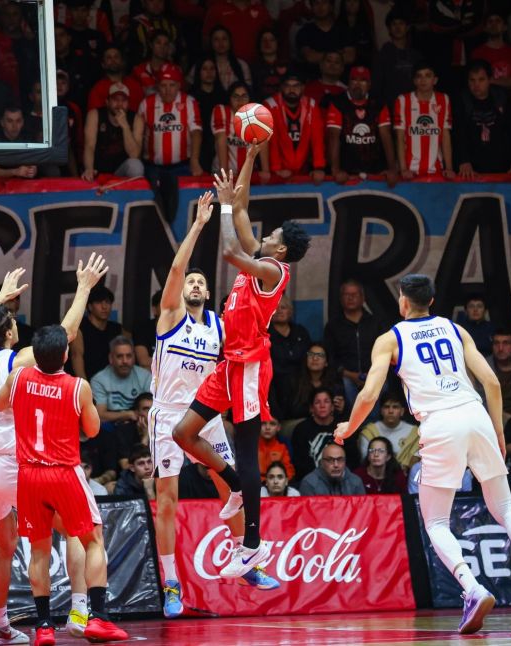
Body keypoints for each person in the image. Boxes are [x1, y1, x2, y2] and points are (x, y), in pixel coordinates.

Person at [335, 274, 511, 635]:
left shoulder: (390, 339)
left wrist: (349, 427)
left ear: (402, 301)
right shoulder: (455, 329)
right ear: (432, 301)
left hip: (440, 422)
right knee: (505, 508)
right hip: (475, 414)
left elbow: (369, 394)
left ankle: (472, 588)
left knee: (437, 522)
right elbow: (491, 382)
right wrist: (498, 431)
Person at [171, 152, 311, 579]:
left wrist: (226, 209)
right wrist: (250, 155)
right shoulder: (261, 257)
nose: (265, 234)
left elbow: (230, 248)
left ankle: (252, 545)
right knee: (183, 434)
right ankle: (233, 484)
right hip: (229, 363)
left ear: (280, 248)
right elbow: (244, 207)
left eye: (273, 235)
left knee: (247, 453)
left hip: (250, 366)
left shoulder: (272, 270)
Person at [0, 257, 107, 641]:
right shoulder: (16, 362)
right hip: (11, 463)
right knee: (75, 531)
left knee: (4, 545)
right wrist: (84, 288)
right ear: (10, 334)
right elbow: (64, 334)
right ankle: (79, 610)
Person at [149, 191, 277, 617]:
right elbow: (176, 268)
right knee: (167, 498)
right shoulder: (170, 316)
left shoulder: (219, 327)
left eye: (201, 282)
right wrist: (199, 225)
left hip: (206, 414)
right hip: (169, 414)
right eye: (191, 282)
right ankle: (171, 584)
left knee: (231, 487)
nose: (195, 284)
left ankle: (246, 559)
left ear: (208, 292)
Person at [0, 325, 128, 643]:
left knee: (39, 551)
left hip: (29, 475)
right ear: (66, 355)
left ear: (36, 354)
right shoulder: (78, 386)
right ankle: (98, 617)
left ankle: (43, 626)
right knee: (93, 539)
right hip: (64, 472)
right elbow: (92, 430)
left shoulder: (18, 378)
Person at [134, 64, 203, 221]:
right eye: (163, 85)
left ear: (179, 85)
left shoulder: (189, 102)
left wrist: (194, 160)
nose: (167, 90)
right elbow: (138, 136)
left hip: (181, 166)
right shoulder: (146, 104)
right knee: (153, 207)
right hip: (153, 167)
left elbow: (196, 132)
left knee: (180, 207)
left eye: (172, 85)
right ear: (157, 86)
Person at [453, 60, 511, 179]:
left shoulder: (502, 97)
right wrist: (463, 161)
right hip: (471, 167)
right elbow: (458, 134)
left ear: (490, 80)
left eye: (481, 80)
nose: (476, 85)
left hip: (502, 164)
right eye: (472, 80)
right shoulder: (462, 100)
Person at [326, 66, 397, 184]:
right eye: (354, 80)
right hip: (347, 171)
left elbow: (386, 136)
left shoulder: (379, 104)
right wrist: (335, 170)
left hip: (376, 170)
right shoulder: (338, 103)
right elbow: (333, 137)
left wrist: (392, 169)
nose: (357, 84)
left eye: (363, 80)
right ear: (348, 83)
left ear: (369, 84)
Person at [324, 279, 384, 412]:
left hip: (374, 375)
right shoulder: (333, 326)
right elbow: (329, 356)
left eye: (354, 294)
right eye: (346, 294)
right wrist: (350, 374)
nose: (350, 298)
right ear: (341, 299)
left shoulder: (375, 323)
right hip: (345, 376)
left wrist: (372, 374)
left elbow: (385, 353)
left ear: (362, 298)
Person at [394, 63, 454, 179]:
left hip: (437, 170)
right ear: (414, 81)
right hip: (410, 171)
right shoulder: (403, 100)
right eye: (419, 76)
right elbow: (400, 138)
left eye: (427, 75)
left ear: (435, 80)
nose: (423, 80)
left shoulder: (444, 99)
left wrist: (449, 168)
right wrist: (403, 169)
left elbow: (445, 136)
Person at [267, 72, 326, 182]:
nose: (291, 90)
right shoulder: (270, 105)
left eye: (296, 86)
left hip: (304, 169)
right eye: (287, 86)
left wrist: (319, 167)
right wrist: (276, 169)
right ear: (281, 87)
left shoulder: (311, 105)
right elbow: (271, 140)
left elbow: (317, 138)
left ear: (303, 87)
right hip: (277, 173)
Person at [81, 82, 146, 182]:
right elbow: (89, 146)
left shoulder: (136, 119)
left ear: (128, 103)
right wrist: (89, 169)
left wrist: (125, 126)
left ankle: (130, 191)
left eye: (123, 100)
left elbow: (134, 155)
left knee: (136, 165)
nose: (119, 104)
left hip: (122, 172)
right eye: (115, 100)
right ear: (107, 102)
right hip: (98, 172)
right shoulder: (95, 115)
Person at [291, 387, 351, 481]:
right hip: (311, 480)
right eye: (317, 402)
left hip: (342, 478)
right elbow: (299, 463)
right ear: (311, 408)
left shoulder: (343, 427)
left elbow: (352, 458)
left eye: (326, 401)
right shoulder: (301, 429)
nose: (322, 405)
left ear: (332, 407)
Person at [73, 285, 128, 379]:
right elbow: (76, 356)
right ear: (90, 306)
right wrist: (84, 384)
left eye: (108, 302)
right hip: (86, 380)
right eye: (99, 302)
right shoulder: (79, 328)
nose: (104, 307)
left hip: (110, 382)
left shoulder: (117, 329)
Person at [357, 393, 417, 466]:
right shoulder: (369, 432)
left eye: (395, 407)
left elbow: (417, 462)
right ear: (381, 410)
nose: (390, 411)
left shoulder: (414, 433)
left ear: (402, 411)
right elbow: (366, 461)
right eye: (386, 407)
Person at [471, 13, 511, 91]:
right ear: (485, 28)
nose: (494, 24)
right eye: (490, 21)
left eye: (498, 21)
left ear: (505, 27)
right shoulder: (477, 53)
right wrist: (506, 82)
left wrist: (492, 81)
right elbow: (476, 82)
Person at [300, 442, 366, 495]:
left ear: (345, 461)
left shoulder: (356, 482)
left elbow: (362, 507)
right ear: (322, 462)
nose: (336, 465)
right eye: (330, 460)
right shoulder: (309, 483)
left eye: (340, 459)